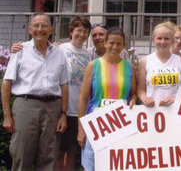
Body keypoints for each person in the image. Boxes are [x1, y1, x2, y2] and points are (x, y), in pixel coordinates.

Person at [1, 12, 70, 171]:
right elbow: (6, 83)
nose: (40, 29)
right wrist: (7, 116)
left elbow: (64, 85)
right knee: (21, 154)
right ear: (30, 29)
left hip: (53, 108)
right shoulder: (20, 51)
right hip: (26, 106)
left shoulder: (59, 53)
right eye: (36, 26)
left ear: (51, 30)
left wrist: (63, 114)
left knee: (49, 157)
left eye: (44, 26)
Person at [77, 27, 137, 171]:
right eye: (111, 43)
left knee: (116, 166)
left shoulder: (129, 67)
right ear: (105, 43)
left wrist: (134, 100)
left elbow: (133, 93)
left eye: (119, 44)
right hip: (96, 125)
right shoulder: (94, 65)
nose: (114, 47)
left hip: (120, 124)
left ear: (123, 46)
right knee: (91, 167)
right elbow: (83, 98)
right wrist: (81, 129)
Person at [55, 16, 92, 171]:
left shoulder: (89, 54)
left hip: (81, 110)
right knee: (59, 150)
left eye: (85, 32)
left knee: (72, 150)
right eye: (78, 30)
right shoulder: (60, 49)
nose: (81, 34)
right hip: (64, 108)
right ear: (71, 31)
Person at [137, 22, 181, 107]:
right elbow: (140, 89)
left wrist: (174, 99)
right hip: (152, 112)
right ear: (153, 40)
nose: (162, 42)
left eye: (166, 39)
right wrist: (144, 97)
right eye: (159, 38)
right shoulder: (145, 61)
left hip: (175, 111)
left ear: (172, 41)